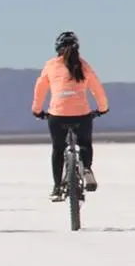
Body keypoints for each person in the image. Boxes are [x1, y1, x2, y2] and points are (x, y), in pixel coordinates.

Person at [31, 31, 109, 200]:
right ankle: (86, 169)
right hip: (82, 115)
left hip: (57, 115)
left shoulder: (51, 65)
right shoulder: (84, 65)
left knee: (58, 149)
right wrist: (102, 108)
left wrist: (37, 110)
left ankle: (57, 187)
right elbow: (97, 88)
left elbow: (40, 89)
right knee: (85, 143)